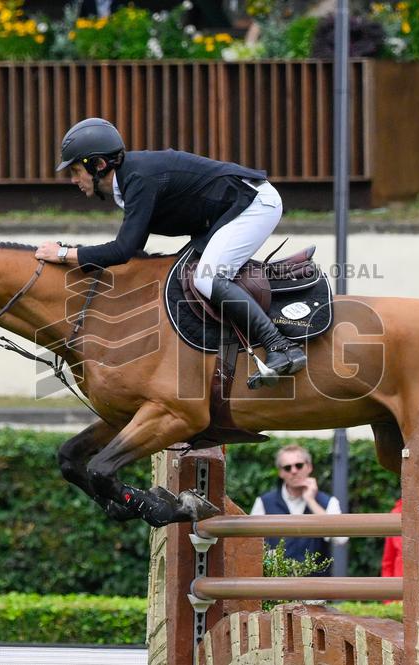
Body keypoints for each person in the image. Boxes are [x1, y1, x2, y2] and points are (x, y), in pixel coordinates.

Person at [35, 117, 307, 389]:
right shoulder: (130, 180)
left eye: (74, 171)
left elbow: (123, 250)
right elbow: (133, 247)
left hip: (254, 205)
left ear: (98, 165)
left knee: (207, 279)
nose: (73, 180)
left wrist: (63, 254)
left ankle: (281, 347)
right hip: (227, 213)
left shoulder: (139, 179)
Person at [250, 444, 348, 574]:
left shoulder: (328, 502)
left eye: (299, 465)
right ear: (281, 472)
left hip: (316, 589)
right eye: (287, 467)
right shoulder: (264, 502)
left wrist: (311, 501)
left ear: (309, 467)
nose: (294, 471)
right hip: (276, 587)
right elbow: (250, 544)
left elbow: (342, 539)